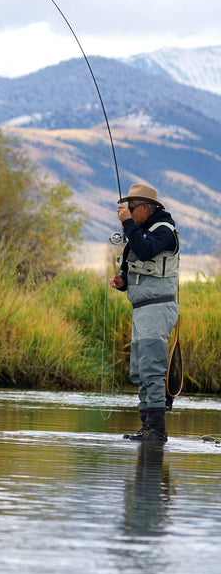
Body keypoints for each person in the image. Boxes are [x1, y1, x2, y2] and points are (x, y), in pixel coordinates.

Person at [109, 183, 179, 442]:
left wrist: (128, 225)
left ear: (146, 208)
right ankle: (146, 426)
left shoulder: (164, 231)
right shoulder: (144, 231)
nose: (127, 212)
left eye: (132, 208)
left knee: (152, 368)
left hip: (158, 308)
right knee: (140, 370)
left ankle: (157, 430)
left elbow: (147, 250)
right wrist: (123, 281)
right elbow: (138, 264)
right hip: (142, 310)